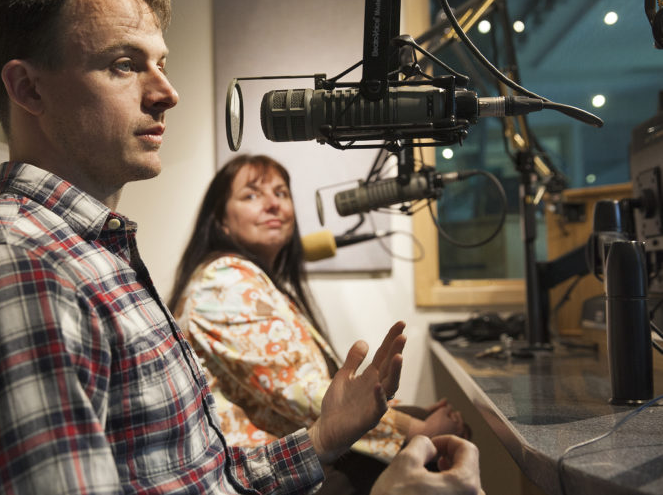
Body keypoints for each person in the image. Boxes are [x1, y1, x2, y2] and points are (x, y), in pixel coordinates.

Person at [0, 0, 481, 495]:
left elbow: (199, 476)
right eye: (125, 65)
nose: (168, 93)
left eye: (163, 65)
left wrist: (323, 435)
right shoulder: (19, 274)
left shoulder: (92, 254)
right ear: (27, 88)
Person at [168, 154, 470, 493]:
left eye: (281, 193)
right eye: (251, 195)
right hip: (251, 471)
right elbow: (300, 391)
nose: (273, 204)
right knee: (434, 448)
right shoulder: (223, 282)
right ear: (220, 221)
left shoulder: (252, 280)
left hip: (284, 450)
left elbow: (312, 385)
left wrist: (399, 409)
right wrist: (413, 427)